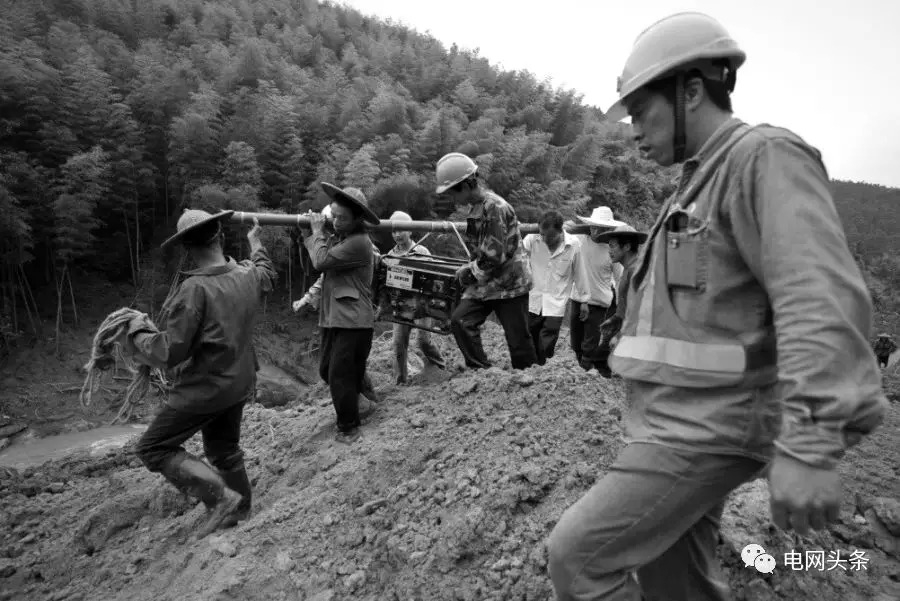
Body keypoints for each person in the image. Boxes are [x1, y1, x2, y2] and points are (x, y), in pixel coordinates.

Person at [546, 12, 889, 601]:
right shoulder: (696, 186)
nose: (633, 130)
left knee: (577, 561)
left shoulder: (762, 159)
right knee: (675, 580)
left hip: (705, 430)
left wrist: (810, 444)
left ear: (692, 91)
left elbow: (817, 296)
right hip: (675, 422)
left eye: (641, 111)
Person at [130, 209, 277, 538]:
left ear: (187, 248)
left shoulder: (194, 289)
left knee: (152, 448)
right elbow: (267, 272)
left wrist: (137, 333)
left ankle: (219, 498)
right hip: (239, 382)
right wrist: (255, 243)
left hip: (206, 388)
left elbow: (170, 352)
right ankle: (241, 508)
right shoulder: (248, 274)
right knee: (224, 449)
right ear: (220, 237)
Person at [435, 152, 537, 370]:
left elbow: (493, 255)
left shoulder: (495, 208)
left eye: (452, 193)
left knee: (518, 341)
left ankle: (528, 380)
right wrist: (470, 268)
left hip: (510, 284)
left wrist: (468, 272)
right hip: (487, 282)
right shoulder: (477, 207)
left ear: (465, 186)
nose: (452, 199)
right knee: (461, 321)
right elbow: (482, 252)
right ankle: (481, 373)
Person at [301, 183, 380, 443]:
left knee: (339, 374)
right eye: (333, 215)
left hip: (353, 320)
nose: (335, 222)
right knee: (327, 370)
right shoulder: (341, 237)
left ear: (357, 219)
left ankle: (349, 428)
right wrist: (309, 233)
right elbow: (321, 252)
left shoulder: (358, 242)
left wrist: (315, 232)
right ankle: (365, 400)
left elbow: (321, 261)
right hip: (335, 318)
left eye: (341, 218)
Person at [385, 210, 446, 383]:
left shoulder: (421, 251)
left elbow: (433, 276)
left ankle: (440, 367)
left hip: (421, 303)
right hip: (401, 304)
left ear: (410, 231)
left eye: (401, 230)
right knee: (399, 342)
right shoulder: (390, 254)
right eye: (394, 231)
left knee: (423, 340)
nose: (397, 235)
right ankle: (401, 380)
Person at [521, 210, 583, 365]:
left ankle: (543, 367)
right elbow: (518, 256)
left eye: (550, 237)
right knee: (531, 337)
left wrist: (584, 301)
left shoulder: (573, 245)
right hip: (533, 300)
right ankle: (532, 368)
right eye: (542, 235)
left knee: (547, 342)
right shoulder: (531, 240)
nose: (545, 240)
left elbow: (580, 274)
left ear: (560, 231)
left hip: (556, 303)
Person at [568, 206, 624, 377]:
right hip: (577, 298)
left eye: (601, 228)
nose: (596, 231)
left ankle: (587, 374)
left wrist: (621, 307)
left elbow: (620, 279)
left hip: (599, 303)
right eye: (594, 227)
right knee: (575, 342)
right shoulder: (578, 240)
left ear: (608, 230)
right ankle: (583, 371)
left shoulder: (612, 250)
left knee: (590, 345)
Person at [597, 224, 648, 349]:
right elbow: (625, 303)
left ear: (626, 247)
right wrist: (615, 319)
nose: (609, 251)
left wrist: (620, 335)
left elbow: (639, 310)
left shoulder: (636, 271)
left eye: (612, 246)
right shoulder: (628, 268)